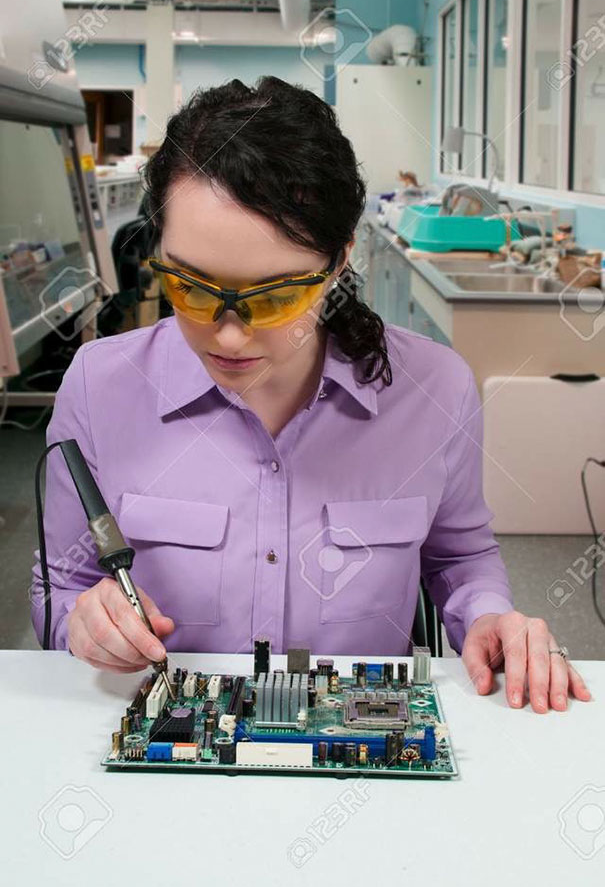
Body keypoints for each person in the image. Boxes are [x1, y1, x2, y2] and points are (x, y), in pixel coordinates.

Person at [31, 76, 590, 714]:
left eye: (273, 297)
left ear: (339, 262)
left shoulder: (433, 391)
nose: (230, 332)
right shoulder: (101, 387)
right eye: (192, 287)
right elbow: (60, 584)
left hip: (359, 745)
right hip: (169, 750)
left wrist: (489, 616)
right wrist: (80, 620)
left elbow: (459, 556)